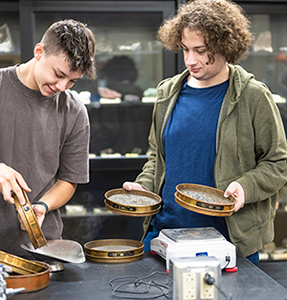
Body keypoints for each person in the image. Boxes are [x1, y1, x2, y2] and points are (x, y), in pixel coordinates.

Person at [123, 0, 287, 263]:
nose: (190, 60)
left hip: (229, 241)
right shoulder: (167, 93)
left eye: (200, 50)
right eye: (185, 49)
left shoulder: (253, 96)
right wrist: (143, 186)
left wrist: (246, 187)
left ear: (225, 46)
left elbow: (278, 162)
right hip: (165, 235)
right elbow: (158, 158)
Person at [0, 19, 96, 257]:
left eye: (72, 81)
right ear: (39, 51)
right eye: (58, 74)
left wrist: (43, 205)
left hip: (41, 250)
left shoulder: (74, 110)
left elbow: (68, 181)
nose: (62, 87)